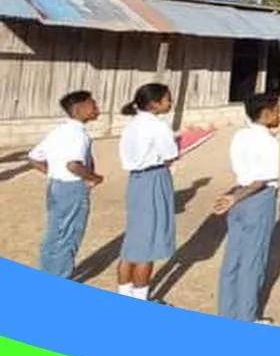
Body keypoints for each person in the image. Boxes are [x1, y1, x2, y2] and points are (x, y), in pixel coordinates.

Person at [214, 93, 280, 324]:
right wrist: (236, 198)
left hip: (239, 193)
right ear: (265, 114)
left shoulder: (241, 135)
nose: (279, 115)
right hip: (257, 198)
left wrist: (233, 196)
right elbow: (261, 180)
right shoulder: (269, 142)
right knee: (253, 260)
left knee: (233, 258)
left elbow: (247, 170)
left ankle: (228, 312)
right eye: (276, 111)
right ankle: (247, 316)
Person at [28, 91, 104, 278]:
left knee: (54, 234)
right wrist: (93, 177)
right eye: (92, 104)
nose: (97, 108)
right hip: (72, 189)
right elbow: (73, 165)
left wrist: (54, 172)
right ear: (78, 109)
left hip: (56, 186)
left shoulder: (58, 131)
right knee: (69, 236)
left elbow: (34, 158)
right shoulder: (78, 135)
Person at [117, 83, 179, 302]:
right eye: (167, 99)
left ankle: (124, 294)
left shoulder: (132, 125)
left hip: (136, 181)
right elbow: (170, 154)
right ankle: (140, 298)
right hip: (154, 178)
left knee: (133, 241)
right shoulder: (158, 127)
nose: (170, 103)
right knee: (147, 245)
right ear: (155, 104)